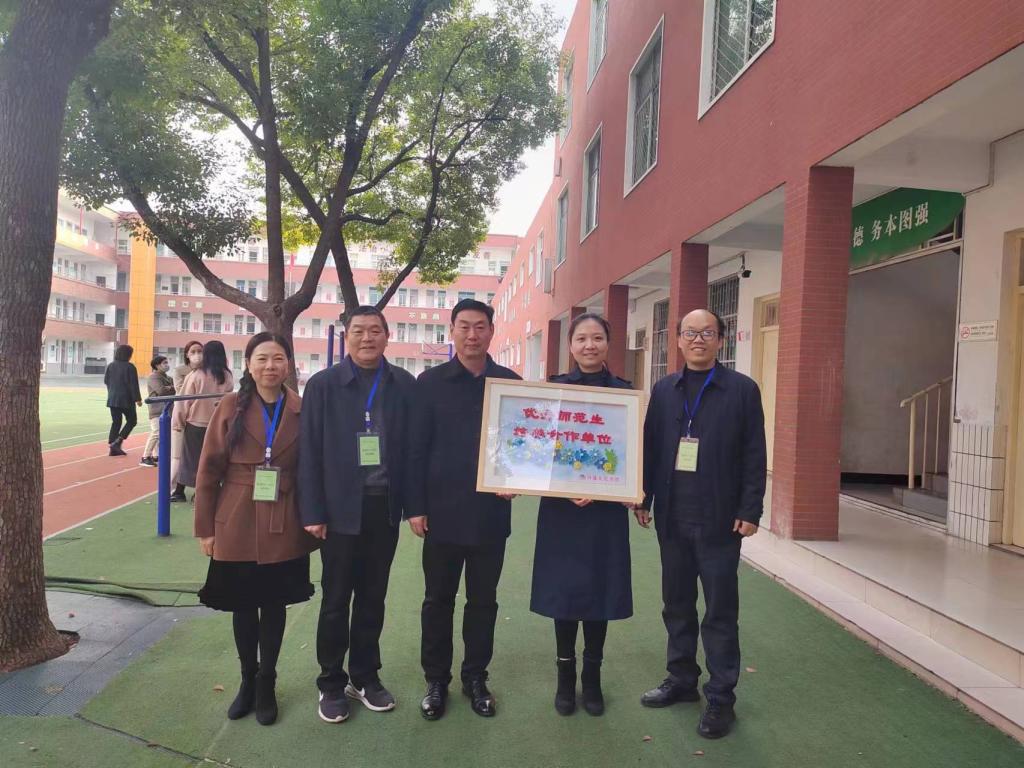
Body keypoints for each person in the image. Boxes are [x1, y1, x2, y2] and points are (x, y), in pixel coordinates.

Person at [634, 308, 766, 740]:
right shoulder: (664, 390)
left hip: (720, 521)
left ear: (720, 341)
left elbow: (754, 454)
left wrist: (750, 509)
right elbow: (651, 447)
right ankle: (682, 679)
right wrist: (644, 497)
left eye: (707, 333)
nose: (698, 340)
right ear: (677, 340)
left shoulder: (742, 390)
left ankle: (721, 698)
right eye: (690, 333)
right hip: (672, 517)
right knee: (676, 603)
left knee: (720, 611)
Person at [298, 306, 417, 724]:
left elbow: (413, 450)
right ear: (346, 336)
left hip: (383, 507)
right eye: (359, 331)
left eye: (375, 331)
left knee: (372, 597)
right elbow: (309, 450)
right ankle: (331, 681)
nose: (368, 338)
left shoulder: (402, 383)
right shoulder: (323, 385)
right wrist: (313, 510)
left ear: (388, 335)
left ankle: (365, 676)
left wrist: (413, 506)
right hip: (338, 509)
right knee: (335, 599)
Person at [406, 298, 520, 721]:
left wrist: (516, 480)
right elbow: (415, 449)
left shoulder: (510, 383)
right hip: (441, 513)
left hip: (491, 514)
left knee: (483, 602)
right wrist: (415, 506)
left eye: (480, 327)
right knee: (437, 600)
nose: (472, 335)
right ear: (452, 330)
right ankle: (436, 681)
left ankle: (476, 678)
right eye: (464, 326)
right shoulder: (429, 383)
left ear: (492, 331)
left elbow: (523, 447)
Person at [194, 332, 316, 726]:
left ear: (288, 364)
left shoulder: (302, 409)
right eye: (262, 358)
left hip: (285, 516)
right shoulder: (230, 406)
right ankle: (247, 679)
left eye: (278, 358)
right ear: (248, 364)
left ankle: (267, 682)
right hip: (236, 517)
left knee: (274, 603)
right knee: (244, 604)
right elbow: (208, 470)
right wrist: (206, 529)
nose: (270, 366)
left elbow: (313, 467)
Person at [530, 313, 633, 717]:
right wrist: (566, 485)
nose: (590, 345)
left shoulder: (625, 394)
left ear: (608, 343)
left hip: (604, 512)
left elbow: (631, 453)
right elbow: (538, 447)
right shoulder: (553, 389)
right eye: (581, 339)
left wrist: (618, 488)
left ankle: (592, 678)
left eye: (597, 338)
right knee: (565, 592)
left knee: (599, 590)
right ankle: (564, 678)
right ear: (570, 345)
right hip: (562, 510)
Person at [173, 340, 233, 501]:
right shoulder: (226, 375)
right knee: (211, 459)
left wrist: (178, 422)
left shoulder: (196, 375)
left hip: (196, 423)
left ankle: (181, 491)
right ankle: (203, 491)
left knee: (190, 458)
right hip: (218, 424)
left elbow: (184, 401)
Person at [170, 341, 204, 501]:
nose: (197, 355)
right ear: (187, 354)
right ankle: (175, 489)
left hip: (198, 418)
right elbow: (180, 391)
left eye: (200, 351)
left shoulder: (207, 371)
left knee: (195, 455)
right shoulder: (181, 371)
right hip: (182, 414)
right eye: (193, 351)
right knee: (179, 455)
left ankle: (189, 489)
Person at [104, 344, 142, 457]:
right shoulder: (130, 367)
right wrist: (138, 399)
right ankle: (117, 442)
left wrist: (112, 391)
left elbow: (106, 381)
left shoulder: (111, 365)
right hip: (126, 399)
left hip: (112, 398)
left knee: (116, 422)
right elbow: (133, 384)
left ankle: (113, 446)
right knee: (132, 421)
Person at [141, 355, 175, 466]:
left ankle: (156, 455)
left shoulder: (168, 378)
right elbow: (161, 391)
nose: (167, 365)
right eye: (164, 363)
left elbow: (176, 389)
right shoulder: (153, 377)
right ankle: (145, 456)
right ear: (157, 365)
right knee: (156, 432)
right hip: (156, 409)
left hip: (167, 409)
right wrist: (171, 388)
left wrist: (170, 388)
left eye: (167, 362)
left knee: (161, 433)